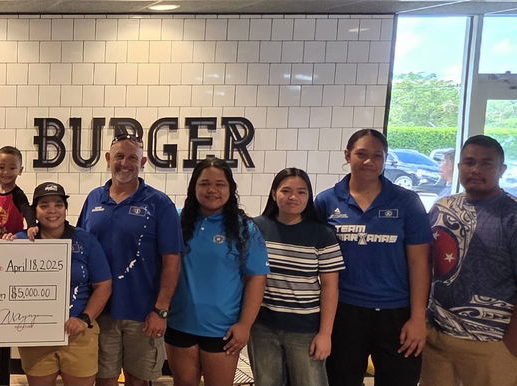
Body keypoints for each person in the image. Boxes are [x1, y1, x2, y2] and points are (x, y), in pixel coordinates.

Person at [425, 135, 517, 385]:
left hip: (492, 345)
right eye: (469, 162)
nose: (475, 169)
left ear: (502, 170)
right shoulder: (442, 208)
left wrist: (512, 342)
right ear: (459, 167)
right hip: (438, 340)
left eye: (486, 163)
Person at [314, 129, 432, 386]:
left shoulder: (406, 201)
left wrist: (418, 318)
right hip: (344, 312)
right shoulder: (326, 201)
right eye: (361, 154)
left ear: (385, 159)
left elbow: (420, 263)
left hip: (396, 314)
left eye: (377, 156)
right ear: (347, 155)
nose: (369, 161)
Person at [78, 133, 184, 386]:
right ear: (107, 159)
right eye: (119, 156)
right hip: (100, 312)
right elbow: (78, 248)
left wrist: (161, 310)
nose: (125, 163)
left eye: (132, 158)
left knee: (138, 381)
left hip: (143, 312)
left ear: (143, 161)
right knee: (104, 380)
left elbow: (172, 261)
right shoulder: (94, 198)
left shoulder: (159, 203)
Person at [167, 158, 269, 386]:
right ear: (194, 187)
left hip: (222, 330)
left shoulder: (245, 228)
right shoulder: (176, 220)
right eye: (204, 184)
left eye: (220, 184)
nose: (212, 190)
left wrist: (245, 325)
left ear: (230, 189)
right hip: (179, 323)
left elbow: (256, 279)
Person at [12, 182, 114, 386]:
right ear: (35, 211)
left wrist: (85, 319)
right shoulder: (21, 241)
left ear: (65, 209)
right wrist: (5, 246)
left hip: (78, 334)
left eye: (58, 204)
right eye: (44, 205)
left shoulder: (86, 240)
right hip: (36, 335)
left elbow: (103, 286)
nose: (52, 210)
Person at [250, 168, 343, 386]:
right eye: (286, 190)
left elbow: (330, 287)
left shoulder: (322, 234)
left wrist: (325, 334)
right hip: (263, 326)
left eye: (301, 192)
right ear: (274, 194)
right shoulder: (256, 228)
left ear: (309, 197)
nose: (293, 197)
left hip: (305, 329)